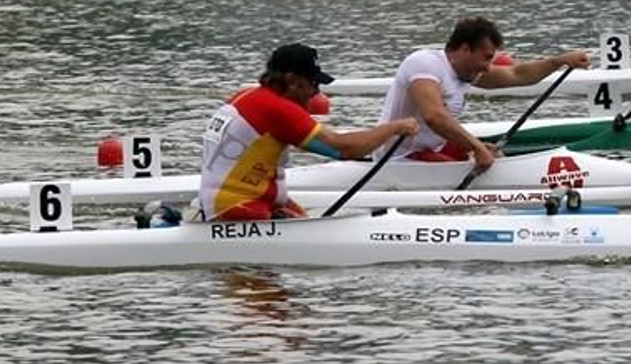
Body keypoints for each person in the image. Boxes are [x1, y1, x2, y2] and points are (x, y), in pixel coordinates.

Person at [198, 43, 418, 222]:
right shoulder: (278, 110)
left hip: (230, 202)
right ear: (292, 81)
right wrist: (394, 127)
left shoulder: (248, 96)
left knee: (302, 217)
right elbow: (344, 150)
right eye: (313, 84)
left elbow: (335, 146)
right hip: (238, 210)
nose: (315, 93)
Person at [379, 16, 591, 173]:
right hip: (398, 158)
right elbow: (434, 116)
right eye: (487, 57)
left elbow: (517, 74)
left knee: (495, 158)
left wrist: (560, 61)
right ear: (464, 49)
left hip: (433, 147)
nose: (489, 67)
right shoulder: (424, 63)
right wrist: (475, 146)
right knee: (484, 168)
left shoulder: (467, 71)